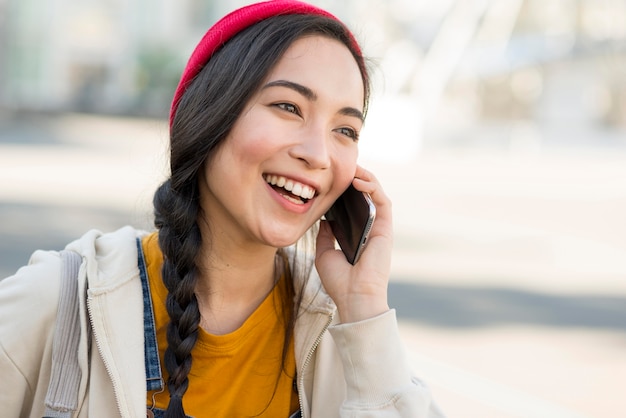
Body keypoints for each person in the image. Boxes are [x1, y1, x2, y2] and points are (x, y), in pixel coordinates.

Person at [0, 1, 445, 417]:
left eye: (345, 129)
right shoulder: (64, 301)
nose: (319, 154)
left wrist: (364, 308)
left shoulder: (347, 333)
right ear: (210, 115)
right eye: (288, 107)